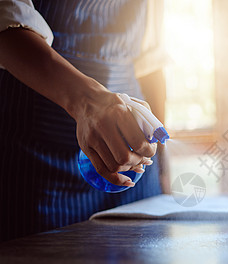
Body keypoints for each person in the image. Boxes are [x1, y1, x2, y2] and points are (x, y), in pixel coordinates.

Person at [0, 0, 168, 241]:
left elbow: (152, 61)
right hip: (36, 159)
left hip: (136, 166)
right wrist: (87, 102)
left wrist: (162, 167)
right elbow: (6, 22)